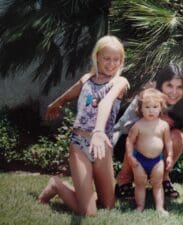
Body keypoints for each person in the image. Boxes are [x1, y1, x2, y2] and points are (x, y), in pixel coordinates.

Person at [37, 35, 129, 216]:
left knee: (108, 206)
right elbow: (68, 95)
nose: (111, 64)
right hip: (80, 144)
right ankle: (56, 184)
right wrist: (54, 104)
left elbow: (105, 103)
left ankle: (83, 193)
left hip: (102, 144)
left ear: (121, 61)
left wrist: (98, 131)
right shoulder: (86, 79)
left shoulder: (119, 82)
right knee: (89, 213)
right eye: (106, 59)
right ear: (97, 58)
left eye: (116, 60)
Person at [115, 64, 183, 199]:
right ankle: (124, 180)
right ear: (160, 84)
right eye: (169, 85)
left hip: (161, 145)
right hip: (127, 144)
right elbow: (124, 125)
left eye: (179, 87)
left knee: (177, 135)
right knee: (142, 130)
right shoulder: (147, 95)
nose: (174, 92)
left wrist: (170, 123)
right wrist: (153, 120)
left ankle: (163, 179)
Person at [126, 88, 173, 215]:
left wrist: (169, 156)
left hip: (157, 161)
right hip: (140, 160)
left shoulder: (163, 125)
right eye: (147, 107)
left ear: (161, 108)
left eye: (154, 106)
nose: (151, 110)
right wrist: (130, 156)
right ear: (141, 108)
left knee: (157, 184)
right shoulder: (138, 125)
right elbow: (129, 141)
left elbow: (168, 142)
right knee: (140, 183)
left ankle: (160, 208)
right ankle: (140, 206)